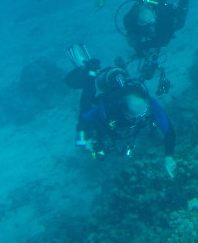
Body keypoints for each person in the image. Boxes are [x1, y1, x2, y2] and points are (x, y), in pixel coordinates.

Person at [64, 44, 176, 178]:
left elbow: (168, 130)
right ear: (125, 112)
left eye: (145, 111)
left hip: (122, 97)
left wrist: (169, 157)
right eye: (138, 115)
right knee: (88, 98)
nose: (144, 116)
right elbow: (85, 117)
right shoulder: (108, 110)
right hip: (105, 103)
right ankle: (88, 72)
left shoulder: (150, 103)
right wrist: (89, 140)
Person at [118, 0, 198, 93]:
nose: (147, 28)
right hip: (152, 7)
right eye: (145, 26)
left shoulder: (164, 17)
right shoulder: (129, 20)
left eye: (149, 26)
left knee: (180, 22)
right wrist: (139, 48)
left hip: (163, 15)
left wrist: (146, 47)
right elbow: (131, 35)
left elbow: (163, 40)